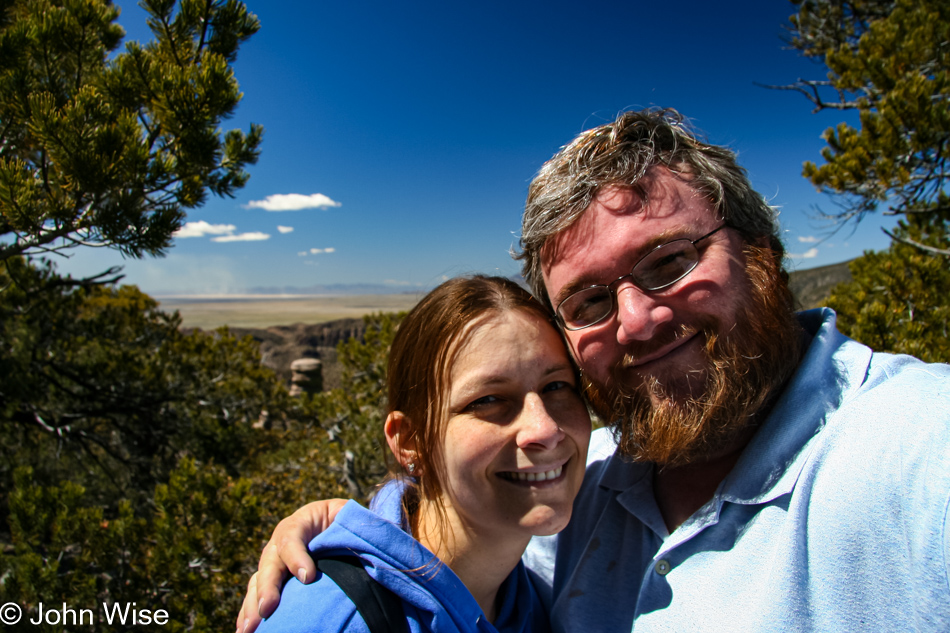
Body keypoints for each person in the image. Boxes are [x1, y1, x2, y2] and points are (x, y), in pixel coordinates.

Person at [238, 109, 950, 633]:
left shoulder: (917, 449)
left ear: (761, 250)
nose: (636, 320)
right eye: (590, 300)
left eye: (670, 261)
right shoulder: (588, 481)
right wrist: (347, 534)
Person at [254, 275, 591, 633]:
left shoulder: (525, 600)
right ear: (410, 441)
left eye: (557, 386)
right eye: (488, 400)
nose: (545, 430)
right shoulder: (333, 619)